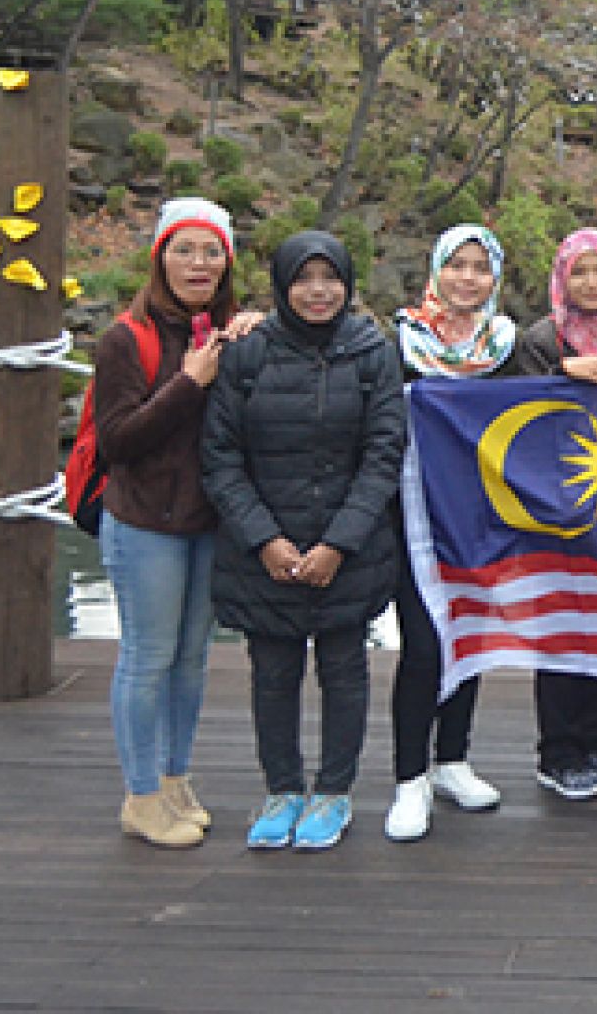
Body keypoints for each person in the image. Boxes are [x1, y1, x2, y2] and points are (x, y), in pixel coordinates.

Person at [201, 232, 406, 852]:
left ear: (347, 282)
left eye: (330, 278)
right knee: (272, 672)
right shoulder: (247, 354)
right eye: (303, 279)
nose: (318, 292)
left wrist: (340, 542)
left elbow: (383, 454)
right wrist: (264, 539)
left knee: (345, 670)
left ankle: (335, 791)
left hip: (348, 546)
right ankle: (283, 788)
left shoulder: (373, 353)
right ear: (283, 285)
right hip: (263, 546)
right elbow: (220, 457)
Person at [95, 198, 260, 849]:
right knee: (147, 657)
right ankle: (139, 794)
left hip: (206, 522)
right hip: (144, 524)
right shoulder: (122, 339)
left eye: (212, 251)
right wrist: (190, 383)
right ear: (160, 255)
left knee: (191, 660)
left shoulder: (230, 333)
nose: (199, 263)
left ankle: (173, 779)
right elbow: (118, 441)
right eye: (184, 249)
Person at [383, 224, 518, 842]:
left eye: (480, 267)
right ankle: (410, 776)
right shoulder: (400, 342)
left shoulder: (506, 346)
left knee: (469, 636)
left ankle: (452, 759)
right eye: (457, 265)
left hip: (481, 520)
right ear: (437, 270)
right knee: (421, 643)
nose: (468, 278)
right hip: (413, 516)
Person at [510, 228, 597, 801]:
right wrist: (561, 376)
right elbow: (515, 411)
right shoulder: (543, 338)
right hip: (558, 505)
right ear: (563, 278)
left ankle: (596, 741)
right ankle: (557, 750)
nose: (592, 284)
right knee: (565, 626)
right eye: (579, 272)